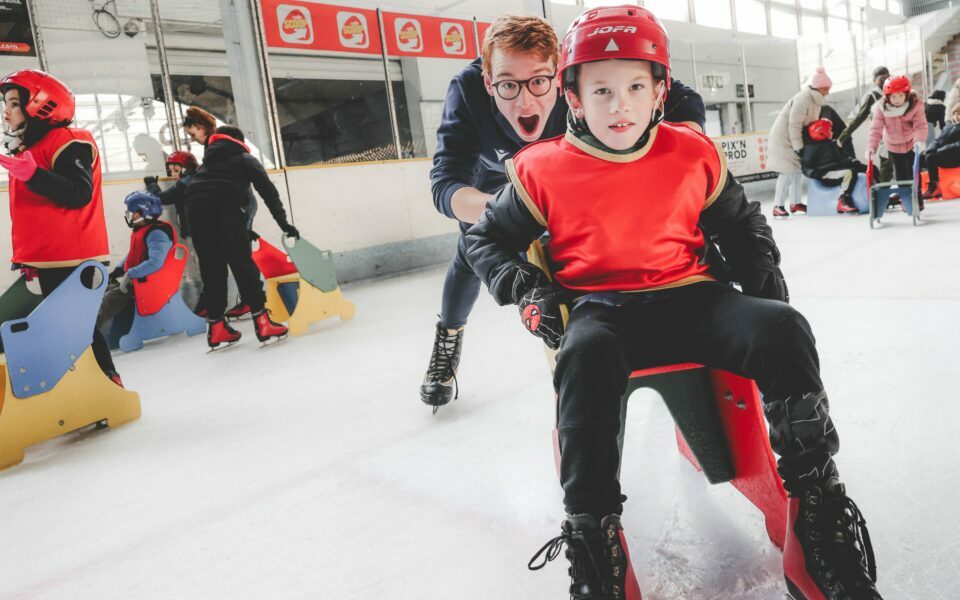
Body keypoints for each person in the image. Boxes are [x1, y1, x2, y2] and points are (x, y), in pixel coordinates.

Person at [465, 7, 882, 599]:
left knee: (784, 328)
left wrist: (766, 300)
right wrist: (528, 290)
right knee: (581, 356)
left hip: (695, 302)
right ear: (574, 97)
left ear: (661, 89)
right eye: (601, 90)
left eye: (636, 86)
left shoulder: (691, 152)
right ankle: (593, 537)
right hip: (603, 313)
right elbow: (485, 240)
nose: (620, 105)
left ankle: (815, 514)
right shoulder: (542, 170)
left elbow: (743, 231)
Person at [422, 14, 705, 411]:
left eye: (539, 81)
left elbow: (680, 97)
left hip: (566, 185)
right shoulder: (467, 90)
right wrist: (518, 206)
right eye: (507, 86)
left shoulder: (578, 74)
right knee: (469, 251)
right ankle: (449, 335)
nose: (525, 101)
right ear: (488, 82)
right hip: (494, 192)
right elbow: (445, 185)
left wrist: (680, 153)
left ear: (561, 74)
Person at [0, 69, 122, 386]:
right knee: (62, 328)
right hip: (49, 259)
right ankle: (86, 385)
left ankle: (106, 383)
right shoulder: (31, 151)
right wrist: (30, 261)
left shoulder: (69, 141)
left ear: (40, 106)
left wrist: (34, 175)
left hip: (73, 259)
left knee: (74, 328)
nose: (5, 110)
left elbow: (79, 193)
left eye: (13, 103)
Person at [184, 125, 297, 349]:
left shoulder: (207, 165)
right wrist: (284, 224)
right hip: (223, 205)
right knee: (243, 265)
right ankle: (263, 324)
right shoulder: (244, 158)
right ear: (238, 141)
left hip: (194, 208)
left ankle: (216, 329)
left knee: (212, 268)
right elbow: (268, 193)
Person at [183, 106, 258, 319]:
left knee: (240, 256)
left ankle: (250, 301)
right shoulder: (213, 144)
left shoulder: (216, 143)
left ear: (200, 127)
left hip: (239, 204)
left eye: (192, 134)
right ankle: (241, 301)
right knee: (230, 255)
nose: (192, 139)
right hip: (235, 203)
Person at [96, 191, 174, 331]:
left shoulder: (157, 233)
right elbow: (134, 254)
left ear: (138, 214)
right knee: (102, 293)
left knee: (107, 301)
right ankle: (116, 333)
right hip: (137, 280)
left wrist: (130, 274)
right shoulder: (142, 230)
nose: (129, 215)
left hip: (148, 283)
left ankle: (85, 334)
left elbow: (155, 263)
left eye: (130, 212)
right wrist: (118, 271)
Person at [768, 67, 832, 217]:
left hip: (794, 138)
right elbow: (794, 124)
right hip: (784, 139)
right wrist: (798, 147)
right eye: (826, 88)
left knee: (797, 171)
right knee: (787, 172)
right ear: (819, 88)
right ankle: (778, 205)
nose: (828, 92)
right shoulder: (803, 98)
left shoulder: (815, 100)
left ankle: (795, 203)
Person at [866, 75, 927, 209]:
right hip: (893, 145)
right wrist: (871, 146)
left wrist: (919, 141)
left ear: (906, 93)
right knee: (901, 175)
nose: (897, 100)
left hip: (912, 143)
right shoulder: (881, 108)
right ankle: (907, 201)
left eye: (900, 96)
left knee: (914, 172)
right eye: (893, 97)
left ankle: (918, 200)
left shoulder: (915, 104)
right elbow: (876, 128)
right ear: (887, 97)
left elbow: (920, 125)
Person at [801, 118, 868, 214]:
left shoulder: (832, 144)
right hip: (826, 174)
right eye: (829, 130)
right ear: (822, 133)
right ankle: (843, 200)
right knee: (849, 173)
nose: (832, 132)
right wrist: (813, 173)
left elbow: (842, 158)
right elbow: (805, 167)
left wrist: (853, 162)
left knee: (868, 168)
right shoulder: (811, 149)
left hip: (837, 169)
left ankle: (878, 194)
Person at [838, 66, 891, 182]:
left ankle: (881, 196)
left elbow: (859, 118)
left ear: (875, 80)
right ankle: (910, 195)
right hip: (901, 135)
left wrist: (842, 137)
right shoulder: (896, 90)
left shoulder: (873, 95)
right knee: (904, 167)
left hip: (884, 136)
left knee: (886, 168)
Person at [922, 102, 960, 199]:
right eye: (955, 114)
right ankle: (918, 188)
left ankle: (935, 187)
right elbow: (938, 140)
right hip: (944, 154)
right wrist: (931, 148)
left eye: (959, 114)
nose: (957, 116)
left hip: (956, 157)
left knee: (931, 158)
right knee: (921, 158)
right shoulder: (949, 127)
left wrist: (943, 150)